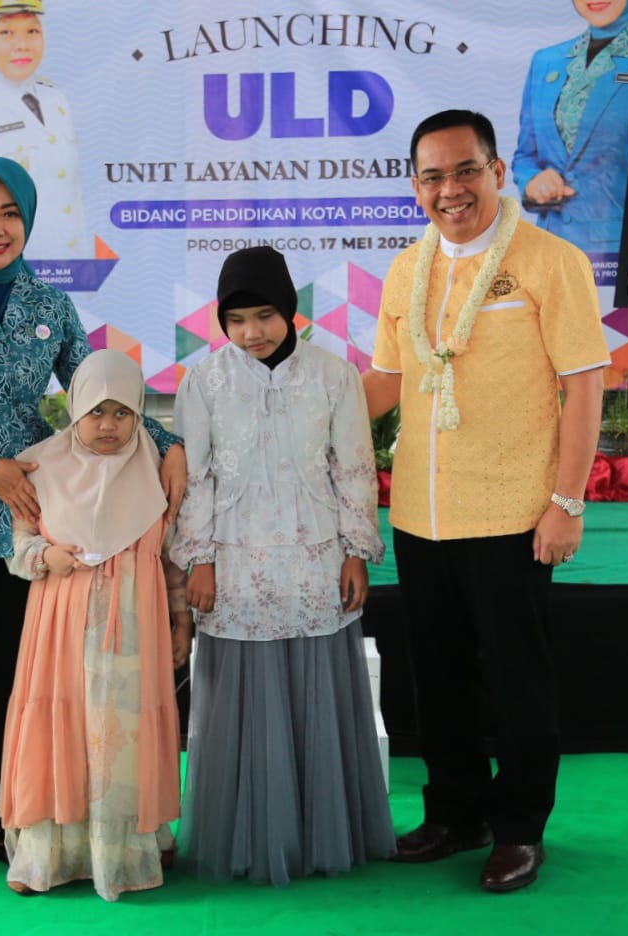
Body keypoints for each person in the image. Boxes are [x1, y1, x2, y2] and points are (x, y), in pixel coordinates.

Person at [0, 156, 186, 875]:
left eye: (10, 214)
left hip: (35, 519)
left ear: (28, 220)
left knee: (22, 679)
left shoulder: (49, 305)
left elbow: (98, 391)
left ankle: (17, 816)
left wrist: (167, 442)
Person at [362, 110, 608, 893]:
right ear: (415, 187)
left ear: (498, 173)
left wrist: (567, 502)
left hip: (514, 512)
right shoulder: (406, 269)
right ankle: (456, 813)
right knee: (437, 676)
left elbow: (584, 387)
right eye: (432, 176)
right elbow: (387, 383)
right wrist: (287, 411)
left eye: (465, 170)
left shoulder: (552, 261)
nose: (451, 190)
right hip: (420, 513)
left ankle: (520, 829)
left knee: (517, 679)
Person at [170, 245, 395, 886]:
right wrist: (199, 562)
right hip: (234, 566)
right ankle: (249, 843)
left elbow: (354, 468)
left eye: (265, 315)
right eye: (237, 320)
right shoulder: (204, 382)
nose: (252, 333)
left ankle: (324, 835)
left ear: (290, 310)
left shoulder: (334, 376)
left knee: (317, 693)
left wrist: (356, 551)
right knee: (245, 702)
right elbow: (196, 480)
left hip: (317, 563)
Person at [0, 349, 189, 900]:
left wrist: (181, 620)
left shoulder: (156, 471)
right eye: (96, 412)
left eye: (123, 412)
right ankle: (50, 854)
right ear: (75, 410)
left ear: (138, 414)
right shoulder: (40, 467)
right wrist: (44, 557)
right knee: (61, 726)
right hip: (60, 626)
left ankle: (131, 848)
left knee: (125, 729)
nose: (109, 426)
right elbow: (15, 544)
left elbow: (172, 556)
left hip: (135, 627)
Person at [511, 0, 628, 254]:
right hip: (550, 250)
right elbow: (526, 156)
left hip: (625, 253)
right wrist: (532, 182)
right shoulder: (545, 61)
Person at [0, 0, 89, 258]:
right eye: (6, 32)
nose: (22, 44)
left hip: (69, 266)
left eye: (32, 30)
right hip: (5, 270)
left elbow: (70, 197)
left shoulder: (55, 99)